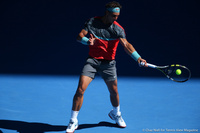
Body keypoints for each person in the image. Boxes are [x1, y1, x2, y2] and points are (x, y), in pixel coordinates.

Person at [66, 1, 147, 133]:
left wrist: (138, 58)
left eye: (117, 16)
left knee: (114, 92)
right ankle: (73, 120)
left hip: (109, 64)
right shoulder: (92, 22)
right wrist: (87, 41)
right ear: (107, 13)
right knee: (80, 89)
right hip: (92, 61)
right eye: (113, 16)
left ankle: (116, 114)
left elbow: (126, 45)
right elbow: (79, 36)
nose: (116, 18)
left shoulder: (118, 29)